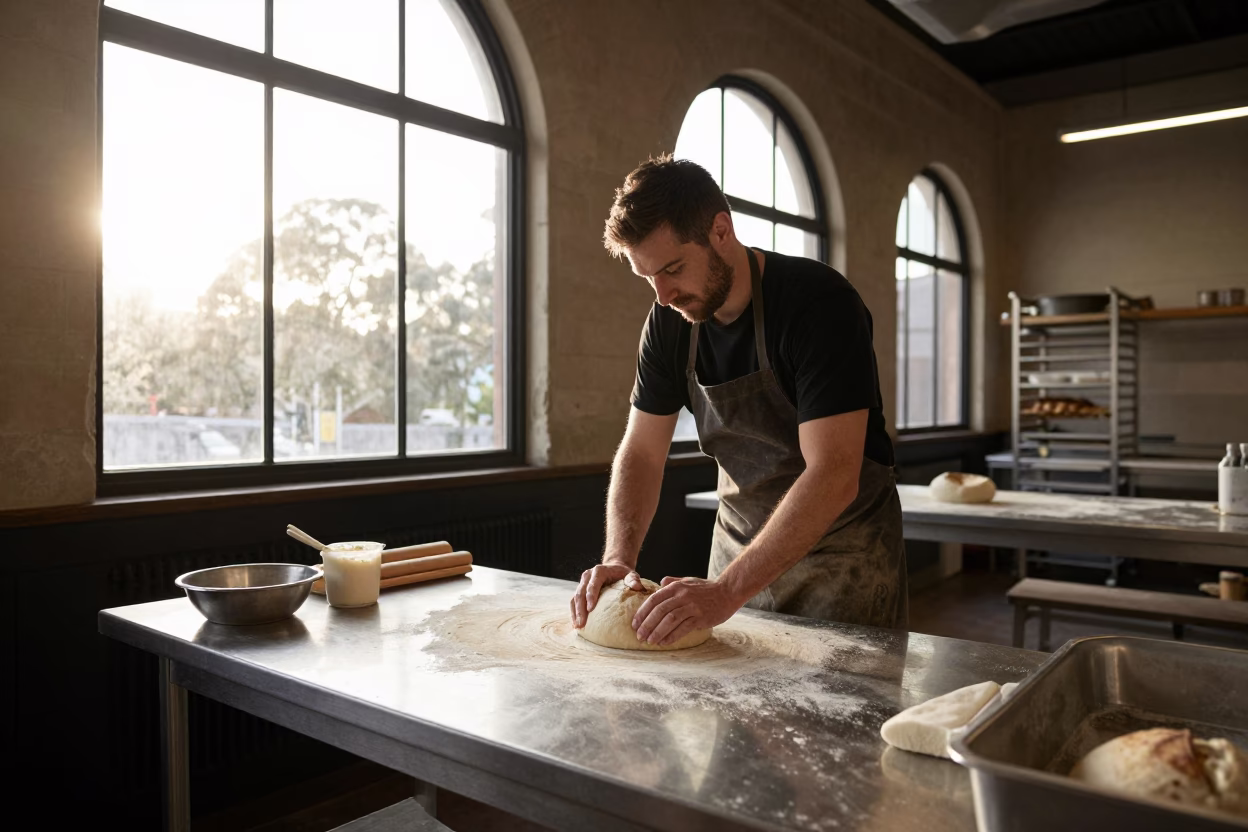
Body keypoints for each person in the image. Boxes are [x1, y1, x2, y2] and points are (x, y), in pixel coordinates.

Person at [568, 154, 908, 647]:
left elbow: (834, 473)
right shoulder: (668, 324)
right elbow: (642, 452)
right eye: (648, 278)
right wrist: (620, 559)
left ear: (721, 231)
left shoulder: (818, 306)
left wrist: (727, 591)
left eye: (673, 269)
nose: (663, 295)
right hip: (735, 558)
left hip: (843, 565)